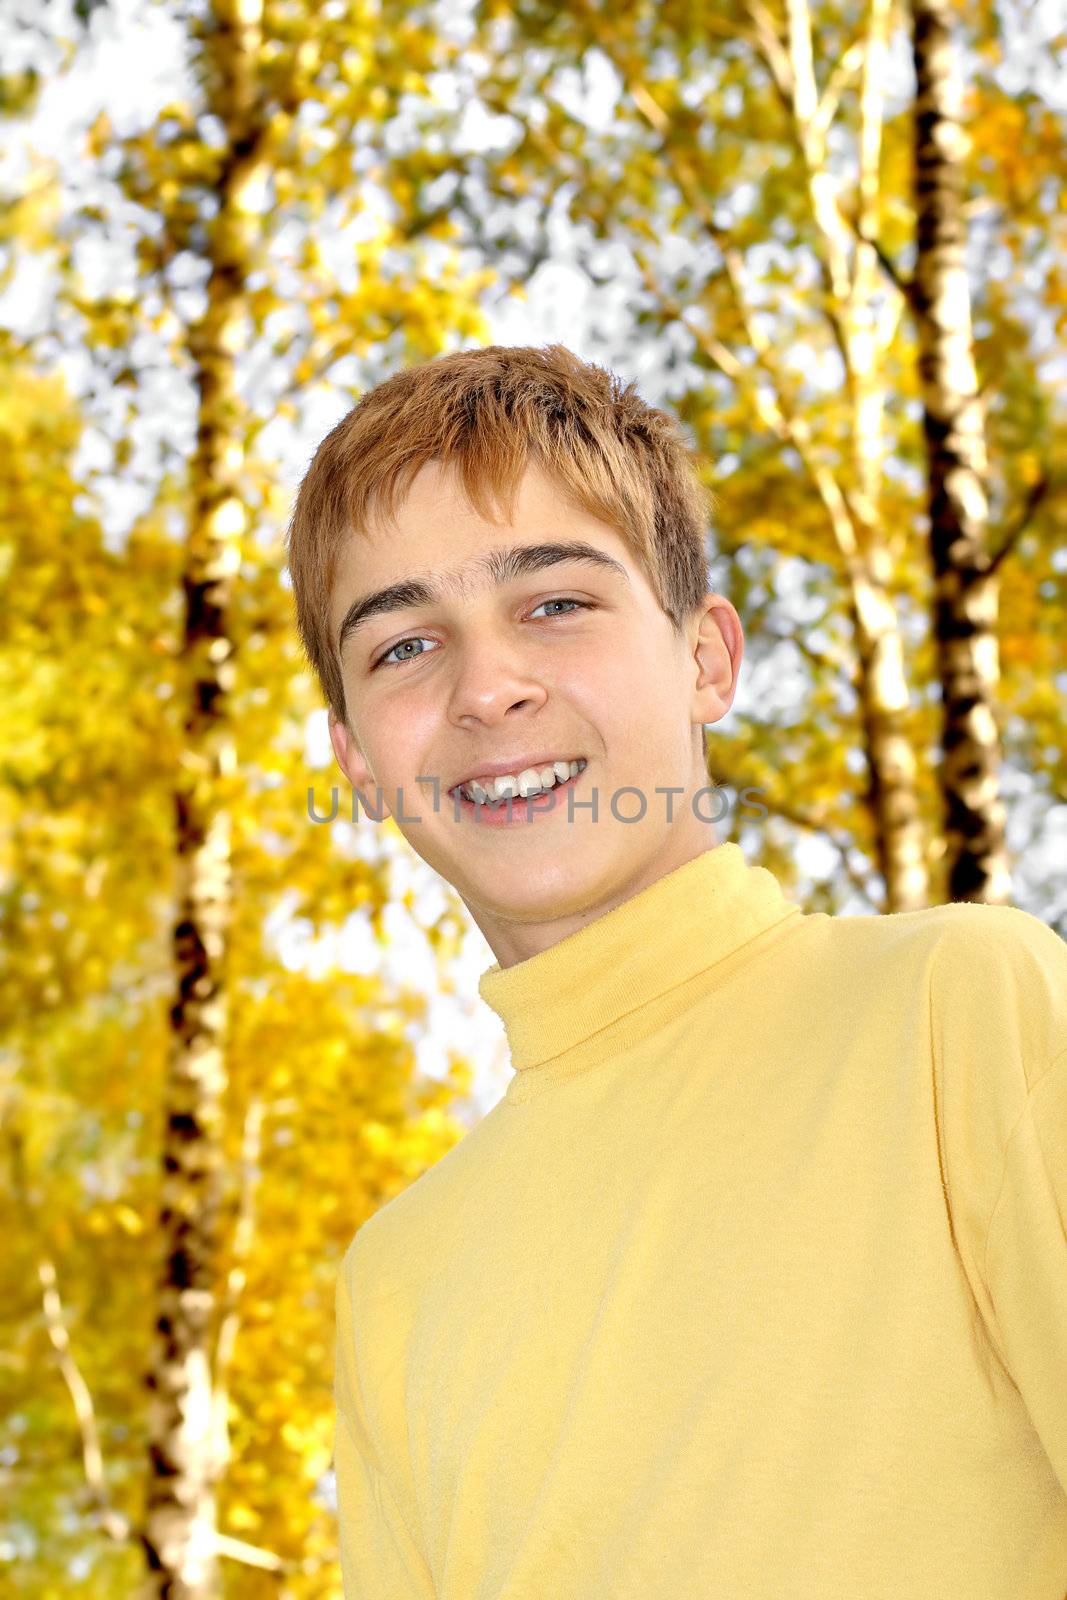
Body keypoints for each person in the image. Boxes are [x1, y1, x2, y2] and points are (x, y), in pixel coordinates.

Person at [285, 343, 1067, 1599]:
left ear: (705, 658)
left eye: (553, 603)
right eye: (402, 646)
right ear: (359, 763)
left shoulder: (957, 1013)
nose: (487, 686)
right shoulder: (395, 1286)